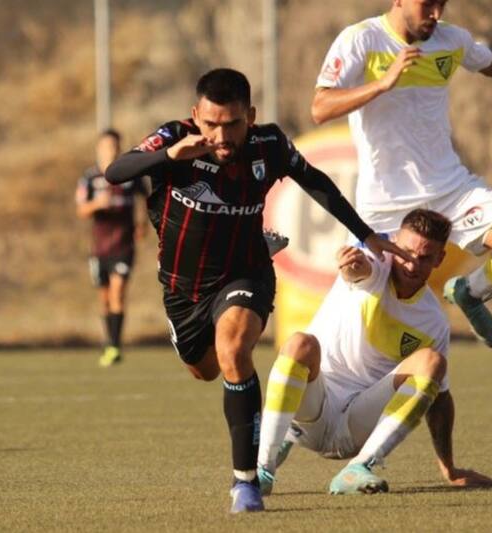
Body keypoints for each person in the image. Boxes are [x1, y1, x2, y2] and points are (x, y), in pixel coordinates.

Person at [105, 68, 407, 513]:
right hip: (182, 287)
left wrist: (366, 233)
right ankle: (250, 412)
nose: (221, 135)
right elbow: (116, 171)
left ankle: (245, 482)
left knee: (233, 350)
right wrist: (171, 154)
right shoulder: (176, 137)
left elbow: (318, 184)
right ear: (196, 116)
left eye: (231, 124)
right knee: (205, 369)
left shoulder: (269, 145)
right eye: (211, 124)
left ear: (250, 116)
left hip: (244, 272)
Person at [311, 0, 492, 348]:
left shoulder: (450, 39)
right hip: (386, 204)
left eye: (441, 4)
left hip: (451, 188)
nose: (435, 14)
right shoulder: (361, 39)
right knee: (358, 305)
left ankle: (470, 292)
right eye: (426, 4)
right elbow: (320, 107)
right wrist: (382, 84)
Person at [256, 209, 492, 497]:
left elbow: (439, 399)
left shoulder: (433, 321)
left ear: (439, 259)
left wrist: (449, 468)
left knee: (432, 362)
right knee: (299, 344)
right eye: (405, 252)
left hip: (354, 429)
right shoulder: (375, 264)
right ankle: (260, 472)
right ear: (393, 243)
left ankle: (358, 468)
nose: (411, 265)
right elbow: (358, 272)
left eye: (424, 257)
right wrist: (351, 267)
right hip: (311, 414)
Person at [75, 129, 149, 367]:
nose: (111, 151)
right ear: (99, 149)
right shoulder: (90, 177)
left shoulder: (130, 176)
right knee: (105, 298)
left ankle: (115, 345)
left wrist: (142, 224)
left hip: (123, 244)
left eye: (114, 146)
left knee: (118, 292)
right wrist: (97, 203)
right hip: (99, 247)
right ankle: (109, 342)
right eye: (106, 146)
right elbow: (81, 210)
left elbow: (145, 199)